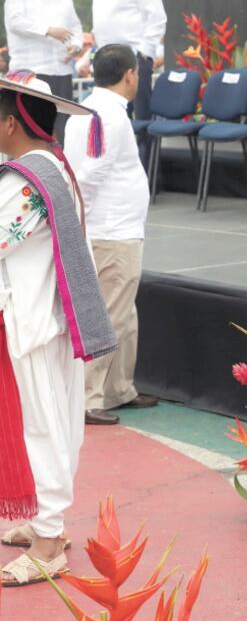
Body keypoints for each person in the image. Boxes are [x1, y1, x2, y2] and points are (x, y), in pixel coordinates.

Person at [0, 70, 116, 586]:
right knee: (56, 425)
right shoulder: (54, 166)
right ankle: (48, 525)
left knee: (41, 429)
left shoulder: (20, 181)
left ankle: (48, 542)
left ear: (9, 123)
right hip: (55, 318)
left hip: (34, 321)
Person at [64, 44, 159, 426]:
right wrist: (79, 222)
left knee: (124, 313)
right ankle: (90, 396)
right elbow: (90, 176)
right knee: (110, 315)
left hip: (114, 229)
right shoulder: (109, 117)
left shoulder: (87, 111)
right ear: (130, 74)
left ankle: (119, 388)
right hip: (112, 233)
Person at [91, 0, 167, 165]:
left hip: (134, 59)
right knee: (111, 118)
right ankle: (117, 168)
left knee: (142, 118)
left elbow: (158, 17)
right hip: (108, 60)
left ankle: (148, 173)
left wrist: (144, 52)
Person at [3, 0, 84, 142]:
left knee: (62, 127)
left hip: (61, 70)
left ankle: (58, 162)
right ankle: (24, 164)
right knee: (27, 129)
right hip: (29, 71)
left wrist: (76, 45)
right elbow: (14, 22)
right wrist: (48, 30)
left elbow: (75, 26)